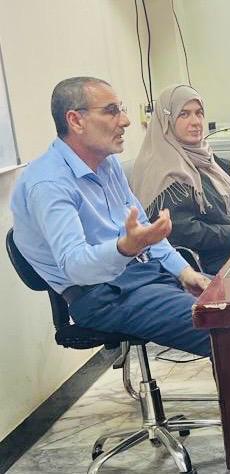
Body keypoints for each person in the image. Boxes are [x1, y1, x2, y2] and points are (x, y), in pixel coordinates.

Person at [10, 77, 211, 357]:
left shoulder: (108, 164)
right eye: (111, 111)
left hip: (143, 275)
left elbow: (144, 230)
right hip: (101, 295)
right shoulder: (48, 184)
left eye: (122, 109)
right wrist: (125, 248)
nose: (125, 121)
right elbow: (75, 266)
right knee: (226, 327)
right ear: (76, 121)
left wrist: (184, 272)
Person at [132, 84, 230, 275]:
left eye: (199, 113)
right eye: (184, 114)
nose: (195, 122)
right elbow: (180, 231)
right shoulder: (161, 169)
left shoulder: (209, 159)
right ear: (167, 120)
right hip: (211, 262)